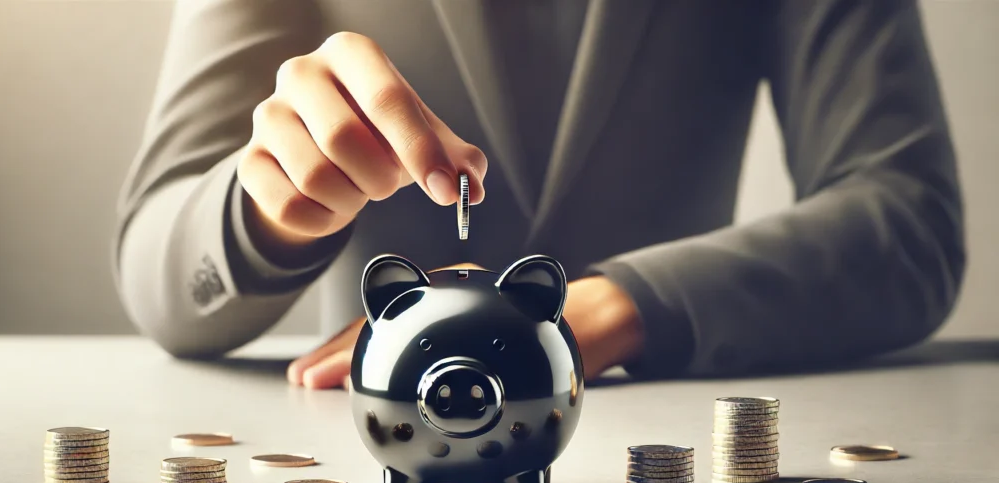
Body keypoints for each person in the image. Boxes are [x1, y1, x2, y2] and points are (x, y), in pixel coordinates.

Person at [114, 0, 964, 389]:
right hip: (370, 468)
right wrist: (268, 213)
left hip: (676, 457)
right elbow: (158, 265)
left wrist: (629, 304)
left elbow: (906, 214)